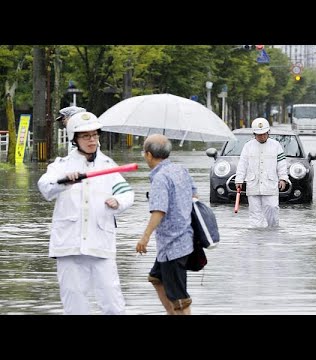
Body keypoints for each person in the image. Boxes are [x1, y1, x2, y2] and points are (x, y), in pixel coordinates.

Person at [37, 111, 134, 315]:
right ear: (75, 139)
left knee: (112, 300)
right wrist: (64, 181)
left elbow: (126, 192)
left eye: (95, 135)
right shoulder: (61, 165)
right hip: (69, 244)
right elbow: (45, 187)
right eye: (86, 136)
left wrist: (118, 202)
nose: (92, 140)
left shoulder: (108, 165)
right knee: (74, 302)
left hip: (101, 243)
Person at [136, 134, 198, 315]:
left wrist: (144, 237)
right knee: (156, 278)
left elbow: (159, 211)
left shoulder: (160, 178)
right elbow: (195, 197)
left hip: (173, 246)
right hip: (184, 240)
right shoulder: (180, 170)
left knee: (180, 300)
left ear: (148, 155)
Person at [235, 117, 288, 228]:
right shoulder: (248, 146)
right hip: (253, 184)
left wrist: (283, 178)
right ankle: (256, 239)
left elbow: (281, 163)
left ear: (268, 132)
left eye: (264, 134)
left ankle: (273, 235)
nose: (262, 136)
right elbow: (242, 164)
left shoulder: (276, 145)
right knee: (255, 215)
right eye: (259, 134)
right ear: (254, 134)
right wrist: (239, 180)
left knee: (272, 209)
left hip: (270, 185)